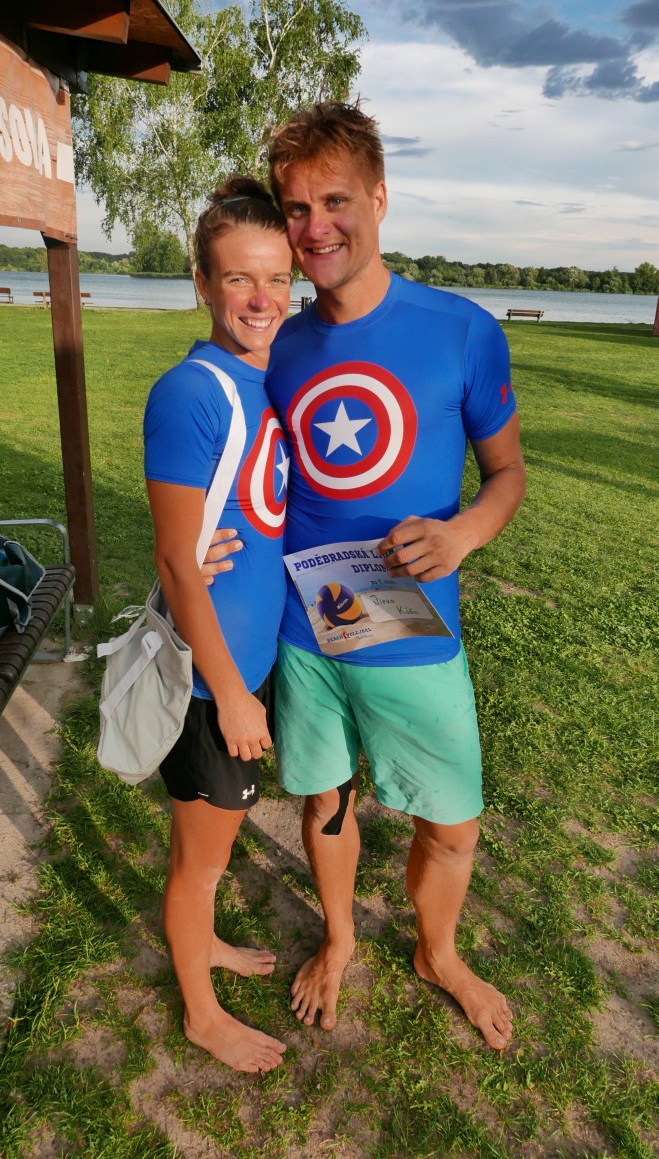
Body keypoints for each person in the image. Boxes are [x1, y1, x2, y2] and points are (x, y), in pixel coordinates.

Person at [261, 101, 526, 1051]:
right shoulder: (279, 343)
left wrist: (462, 535)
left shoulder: (460, 331)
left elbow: (506, 473)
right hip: (306, 631)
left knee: (451, 826)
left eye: (334, 201)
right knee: (325, 800)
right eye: (296, 209)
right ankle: (339, 938)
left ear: (378, 198)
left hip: (413, 634)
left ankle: (436, 952)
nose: (315, 228)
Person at [143, 176, 292, 1073]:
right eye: (239, 278)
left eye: (276, 279)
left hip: (245, 661)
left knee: (212, 841)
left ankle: (204, 945)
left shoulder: (265, 380)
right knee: (199, 862)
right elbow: (175, 561)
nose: (261, 299)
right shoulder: (191, 392)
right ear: (201, 282)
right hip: (211, 682)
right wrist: (232, 694)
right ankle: (200, 1012)